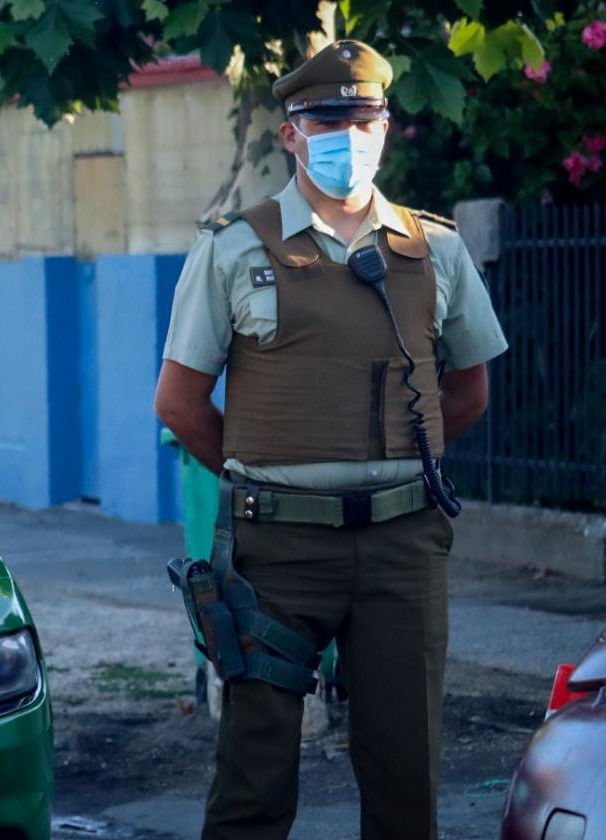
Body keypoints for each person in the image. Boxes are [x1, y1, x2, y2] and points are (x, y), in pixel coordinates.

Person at [152, 40, 508, 840]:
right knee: (253, 775)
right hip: (276, 552)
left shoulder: (435, 248)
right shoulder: (233, 248)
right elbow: (179, 402)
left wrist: (399, 460)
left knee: (405, 778)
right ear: (291, 133)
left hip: (402, 547)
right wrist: (263, 473)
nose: (347, 134)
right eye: (326, 119)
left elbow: (470, 388)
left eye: (363, 118)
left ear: (386, 129)